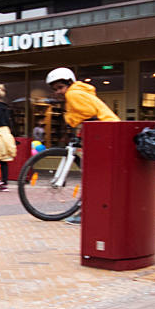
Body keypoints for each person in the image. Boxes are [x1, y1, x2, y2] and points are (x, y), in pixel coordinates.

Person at [44, 67, 118, 222]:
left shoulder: (73, 93)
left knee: (93, 174)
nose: (58, 91)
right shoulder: (77, 92)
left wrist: (70, 119)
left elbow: (87, 112)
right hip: (106, 131)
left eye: (60, 87)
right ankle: (92, 209)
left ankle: (88, 212)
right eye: (55, 89)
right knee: (96, 173)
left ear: (69, 83)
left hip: (105, 133)